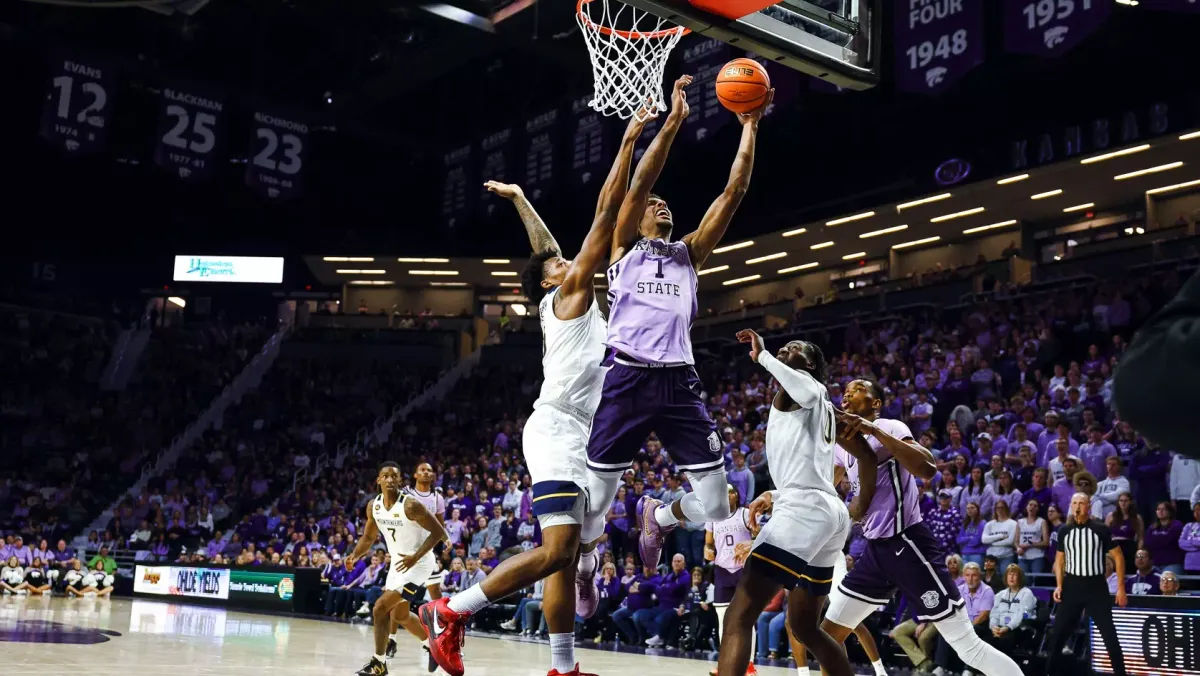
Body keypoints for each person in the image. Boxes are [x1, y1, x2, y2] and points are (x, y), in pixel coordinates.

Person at [422, 107, 651, 676]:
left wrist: (521, 196)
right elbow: (601, 215)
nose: (570, 259)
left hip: (577, 431)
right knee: (555, 552)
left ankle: (562, 667)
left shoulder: (565, 292)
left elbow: (546, 244)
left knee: (565, 557)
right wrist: (627, 140)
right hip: (556, 428)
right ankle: (452, 611)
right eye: (560, 262)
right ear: (551, 280)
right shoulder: (568, 296)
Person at [581, 76, 772, 583]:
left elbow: (734, 191)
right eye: (651, 204)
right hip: (627, 377)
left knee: (716, 503)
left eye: (666, 203)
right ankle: (583, 561)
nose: (659, 204)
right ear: (635, 216)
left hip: (679, 382)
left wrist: (749, 126)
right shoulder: (621, 249)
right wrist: (672, 122)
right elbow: (639, 182)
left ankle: (659, 516)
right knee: (596, 503)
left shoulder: (689, 254)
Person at [822, 380, 1022, 676]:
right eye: (846, 389)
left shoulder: (890, 426)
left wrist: (872, 429)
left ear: (875, 402)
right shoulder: (845, 447)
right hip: (876, 552)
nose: (848, 392)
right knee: (827, 636)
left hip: (908, 544)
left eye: (858, 388)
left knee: (969, 648)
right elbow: (825, 484)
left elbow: (927, 470)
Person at [718, 329, 872, 676]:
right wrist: (778, 494)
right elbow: (862, 456)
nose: (785, 349)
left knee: (739, 613)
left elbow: (805, 386)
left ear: (811, 363)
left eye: (794, 348)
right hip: (825, 509)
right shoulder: (821, 407)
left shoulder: (808, 387)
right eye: (784, 347)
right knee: (805, 626)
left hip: (806, 510)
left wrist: (764, 357)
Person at [348, 462, 449, 676]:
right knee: (400, 614)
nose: (390, 480)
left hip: (419, 564)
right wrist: (356, 555)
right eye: (385, 476)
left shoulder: (410, 505)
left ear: (400, 480)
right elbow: (368, 537)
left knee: (379, 608)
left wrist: (415, 557)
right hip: (398, 564)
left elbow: (439, 532)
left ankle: (379, 663)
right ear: (378, 480)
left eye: (395, 476)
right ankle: (434, 646)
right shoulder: (373, 506)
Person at [1046, 492, 1128, 676]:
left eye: (1081, 503)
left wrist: (1121, 588)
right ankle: (1050, 672)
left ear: (1088, 506)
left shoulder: (1100, 529)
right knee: (1058, 636)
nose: (1077, 506)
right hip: (1072, 586)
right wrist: (1059, 584)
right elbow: (1059, 560)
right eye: (1074, 502)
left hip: (1096, 587)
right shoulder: (1064, 531)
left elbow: (1118, 557)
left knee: (1109, 636)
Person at [704, 485, 755, 670]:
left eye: (729, 492)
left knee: (745, 618)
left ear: (736, 496)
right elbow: (708, 544)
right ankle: (725, 663)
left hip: (743, 570)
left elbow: (762, 536)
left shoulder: (746, 513)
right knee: (723, 619)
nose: (726, 496)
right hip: (722, 570)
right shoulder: (713, 517)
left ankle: (749, 665)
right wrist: (708, 551)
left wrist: (752, 542)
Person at [985, 564, 1036, 653]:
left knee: (1003, 641)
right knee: (984, 640)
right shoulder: (1000, 595)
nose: (1011, 577)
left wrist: (1008, 627)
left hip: (1018, 629)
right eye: (1009, 574)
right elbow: (994, 614)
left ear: (1020, 578)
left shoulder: (1027, 594)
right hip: (999, 628)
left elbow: (1022, 615)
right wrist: (993, 627)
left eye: (1015, 575)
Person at [982, 500, 1018, 572]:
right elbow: (984, 540)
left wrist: (992, 542)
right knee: (992, 580)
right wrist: (1000, 536)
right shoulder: (989, 524)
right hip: (991, 557)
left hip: (1007, 556)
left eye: (1002, 507)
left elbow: (1009, 542)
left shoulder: (1013, 523)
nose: (1000, 510)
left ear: (1006, 509)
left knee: (1005, 580)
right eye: (997, 508)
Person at [1016, 499, 1049, 575]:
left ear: (1038, 509)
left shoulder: (1042, 521)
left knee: (1037, 580)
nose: (1032, 507)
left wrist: (1029, 545)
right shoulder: (1020, 522)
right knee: (1024, 581)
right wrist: (1018, 548)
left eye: (1035, 506)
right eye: (1030, 505)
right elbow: (1016, 541)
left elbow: (1046, 542)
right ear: (1026, 507)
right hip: (1023, 556)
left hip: (1037, 556)